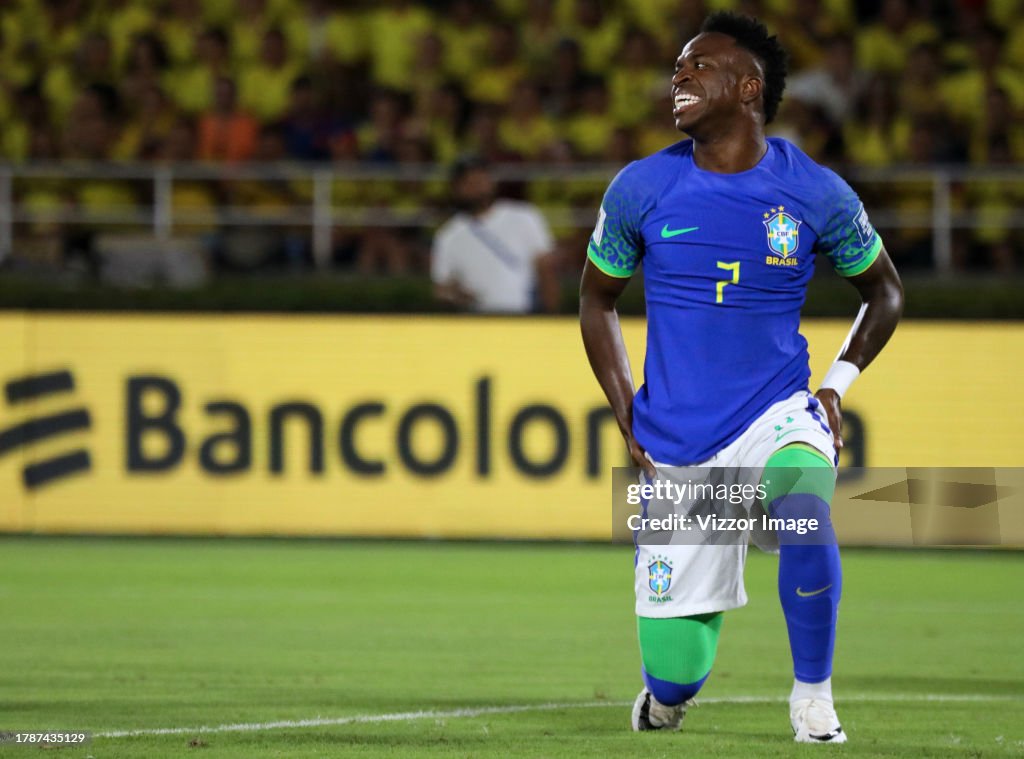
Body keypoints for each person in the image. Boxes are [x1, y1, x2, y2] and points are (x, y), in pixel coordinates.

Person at [579, 12, 903, 743]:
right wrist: (624, 405)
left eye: (699, 66)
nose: (679, 76)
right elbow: (596, 297)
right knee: (675, 672)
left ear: (748, 87)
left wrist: (835, 386)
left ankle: (813, 695)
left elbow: (884, 290)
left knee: (804, 509)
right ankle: (665, 696)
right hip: (679, 444)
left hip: (775, 413)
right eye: (677, 68)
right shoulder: (641, 188)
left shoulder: (815, 191)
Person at [432, 158, 560, 313]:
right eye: (468, 182)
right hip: (476, 322)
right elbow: (442, 288)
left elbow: (546, 269)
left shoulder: (525, 216)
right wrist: (458, 295)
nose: (476, 186)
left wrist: (551, 316)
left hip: (524, 318)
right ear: (456, 188)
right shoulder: (448, 236)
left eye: (480, 179)